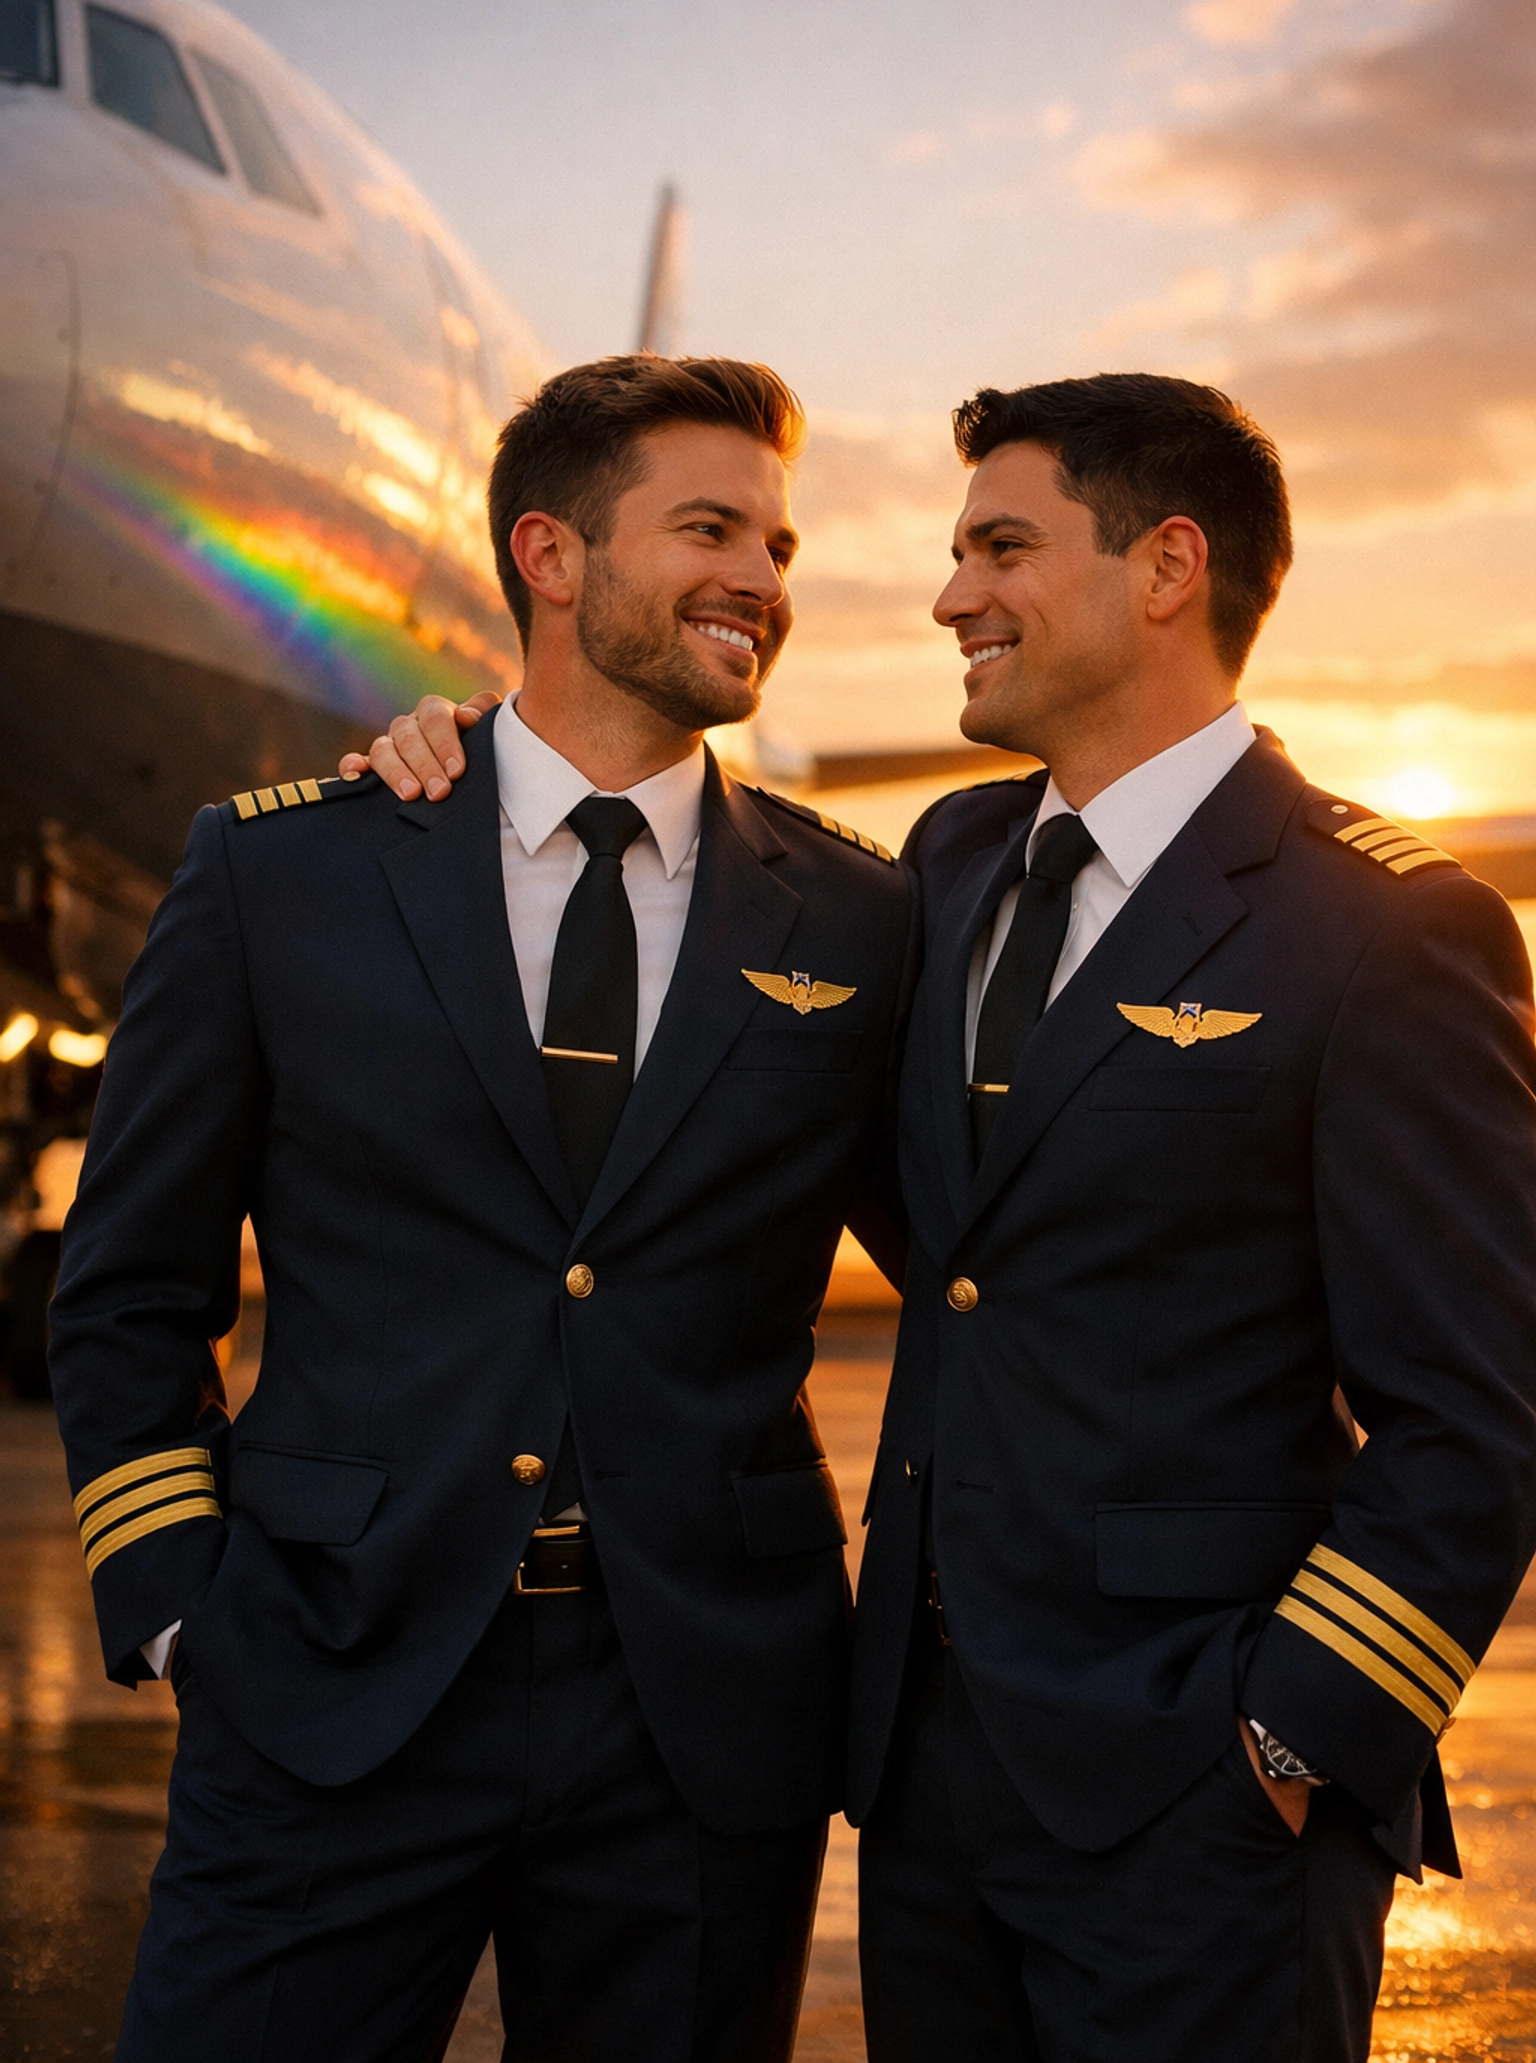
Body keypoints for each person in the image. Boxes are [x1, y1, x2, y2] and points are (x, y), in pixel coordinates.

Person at [367, 369, 1536, 2060]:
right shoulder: (951, 870)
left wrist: (1293, 1737)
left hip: (1200, 1799)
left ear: (1166, 567)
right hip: (926, 1790)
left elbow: (1483, 1418)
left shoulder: (1383, 927)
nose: (947, 596)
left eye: (1000, 546)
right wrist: (456, 768)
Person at [49, 354, 916, 2063]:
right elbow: (128, 1285)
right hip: (327, 1683)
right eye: (711, 526)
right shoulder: (279, 871)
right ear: (551, 552)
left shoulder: (861, 918)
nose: (764, 575)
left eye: (783, 543)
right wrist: (177, 1602)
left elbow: (994, 1265)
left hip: (701, 1725)